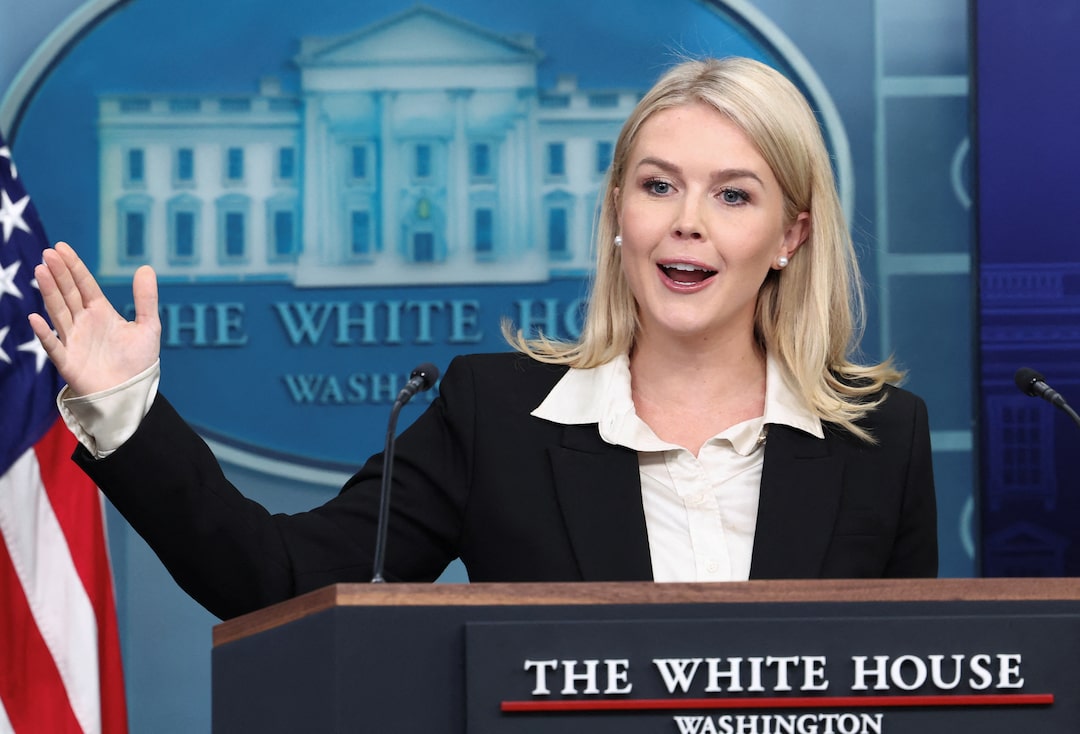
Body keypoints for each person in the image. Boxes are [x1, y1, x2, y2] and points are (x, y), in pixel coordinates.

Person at [29, 57, 937, 621]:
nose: (686, 222)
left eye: (733, 195)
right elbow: (276, 578)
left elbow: (916, 687)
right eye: (658, 186)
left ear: (789, 237)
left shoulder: (884, 438)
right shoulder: (494, 415)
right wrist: (123, 410)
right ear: (618, 214)